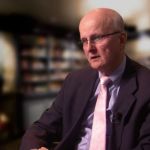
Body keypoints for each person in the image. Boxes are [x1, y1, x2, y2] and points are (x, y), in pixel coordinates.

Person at [20, 8, 150, 150]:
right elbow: (41, 127)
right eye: (84, 40)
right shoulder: (75, 80)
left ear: (121, 39)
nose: (89, 48)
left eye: (97, 38)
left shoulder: (146, 85)